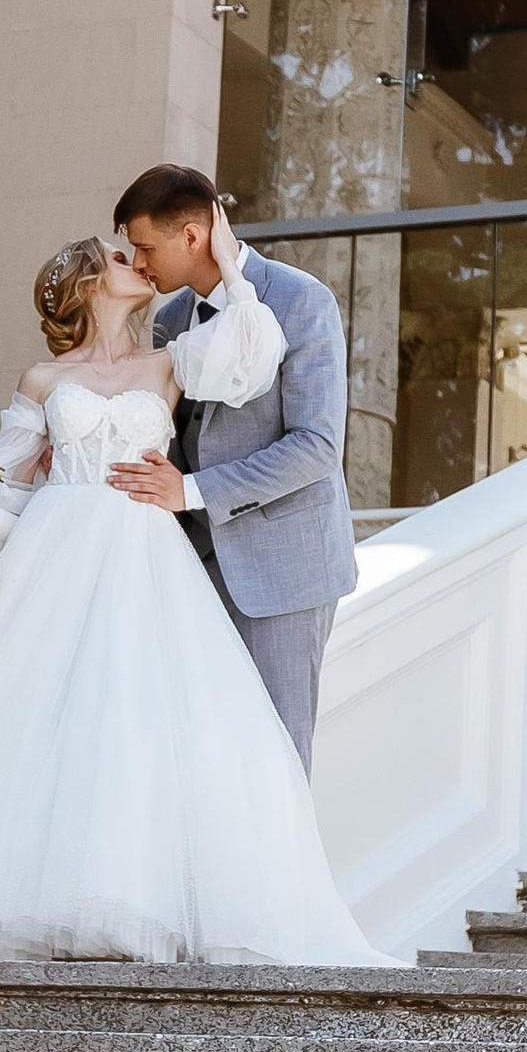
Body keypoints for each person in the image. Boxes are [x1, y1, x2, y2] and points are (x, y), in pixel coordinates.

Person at [0, 209, 379, 964]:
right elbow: (15, 485)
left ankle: (162, 902)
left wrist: (229, 260)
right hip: (59, 554)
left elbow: (251, 350)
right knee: (48, 725)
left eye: (138, 249)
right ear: (86, 283)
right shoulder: (43, 380)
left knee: (141, 726)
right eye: (118, 256)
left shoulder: (170, 361)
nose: (138, 263)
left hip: (147, 553)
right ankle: (45, 898)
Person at [110, 161, 355, 772]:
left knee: (275, 761)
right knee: (199, 761)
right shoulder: (169, 321)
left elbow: (317, 446)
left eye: (145, 248)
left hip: (283, 574)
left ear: (192, 236)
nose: (138, 264)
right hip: (190, 572)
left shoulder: (301, 301)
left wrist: (191, 491)